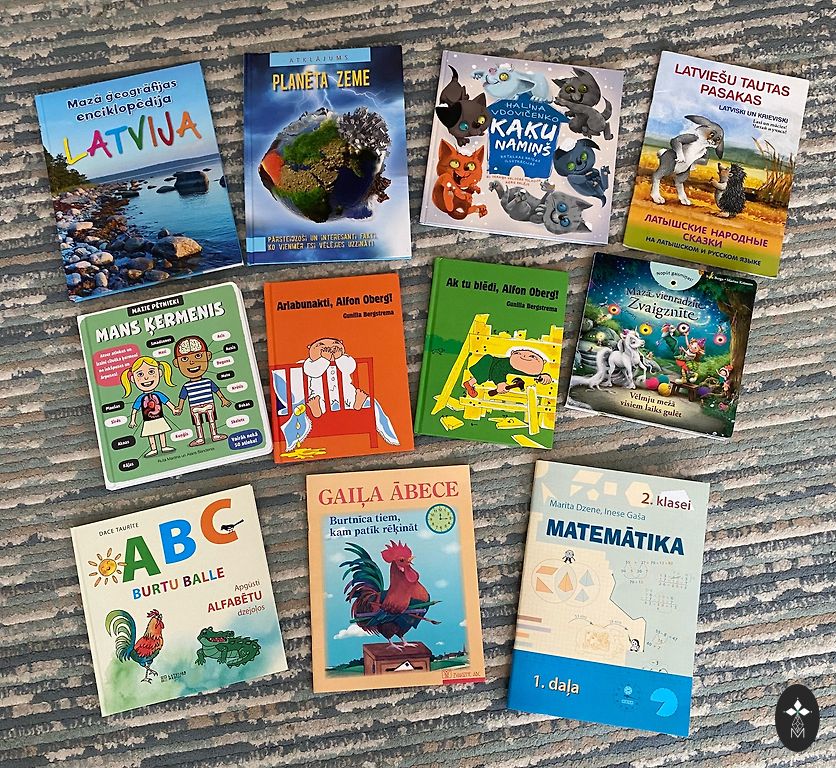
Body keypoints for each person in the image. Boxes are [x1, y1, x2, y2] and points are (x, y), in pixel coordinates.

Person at [172, 335, 231, 447]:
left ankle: (214, 435)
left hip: (209, 404)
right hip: (195, 407)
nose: (192, 362)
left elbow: (216, 390)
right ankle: (200, 438)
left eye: (198, 356)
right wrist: (179, 407)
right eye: (184, 359)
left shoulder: (208, 381)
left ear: (208, 356)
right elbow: (182, 398)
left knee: (212, 420)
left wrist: (223, 399)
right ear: (176, 363)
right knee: (197, 423)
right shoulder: (186, 386)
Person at [121, 356, 178, 458]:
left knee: (161, 432)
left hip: (159, 418)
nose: (146, 378)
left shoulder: (158, 394)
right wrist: (132, 421)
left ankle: (164, 446)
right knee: (150, 434)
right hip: (148, 420)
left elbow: (167, 402)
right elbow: (135, 410)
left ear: (159, 373)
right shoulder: (140, 398)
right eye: (140, 374)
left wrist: (173, 409)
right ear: (133, 379)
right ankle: (153, 449)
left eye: (151, 372)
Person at [463, 347, 552, 397]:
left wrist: (544, 377)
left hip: (496, 372)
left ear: (543, 362)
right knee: (483, 373)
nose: (524, 356)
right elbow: (498, 369)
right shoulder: (506, 364)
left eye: (532, 356)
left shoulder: (529, 370)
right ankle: (470, 383)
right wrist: (500, 383)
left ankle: (470, 383)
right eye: (518, 353)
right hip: (490, 365)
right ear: (512, 354)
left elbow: (533, 376)